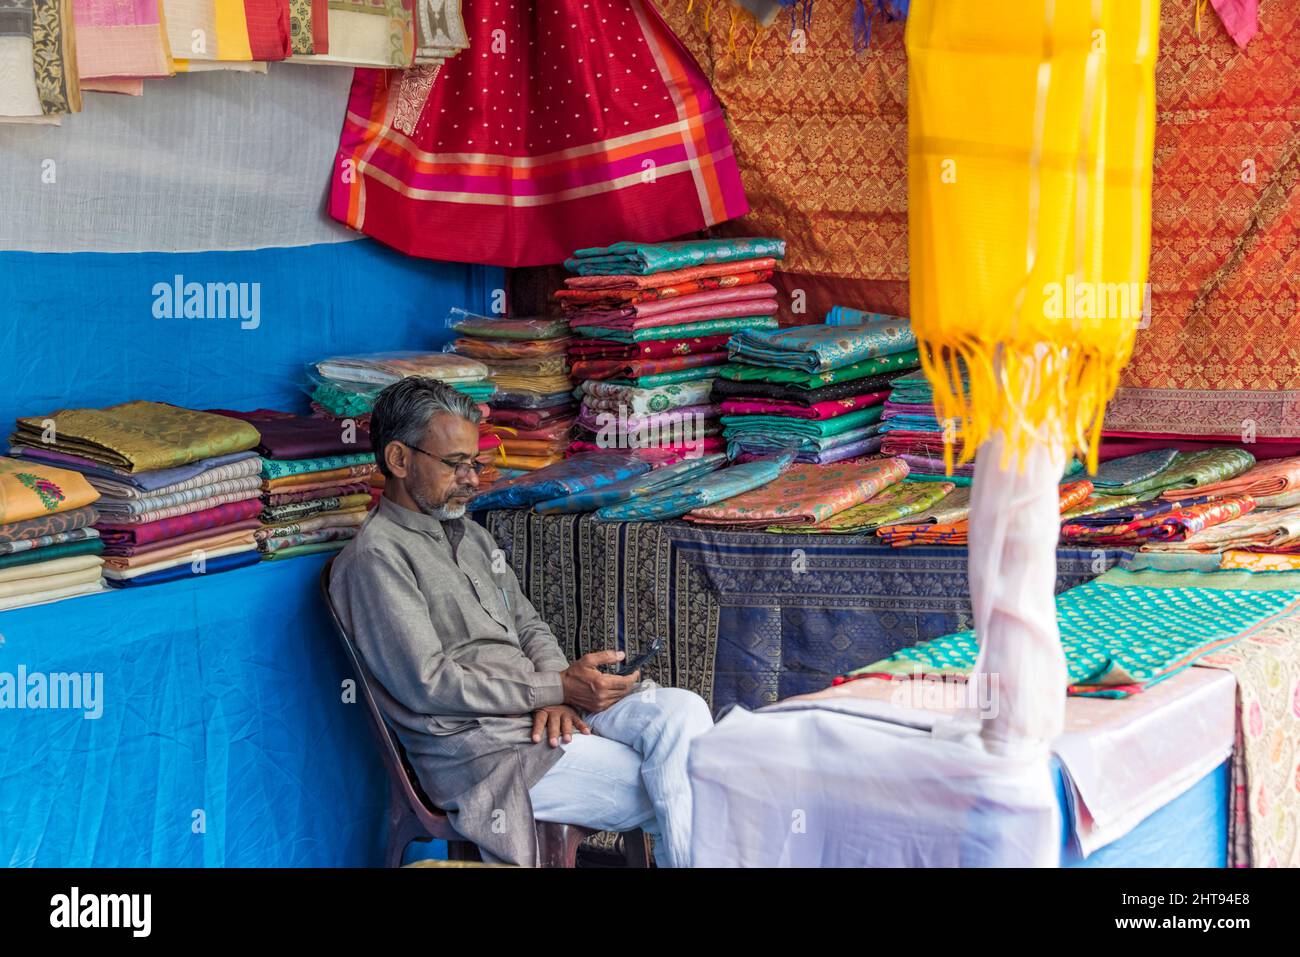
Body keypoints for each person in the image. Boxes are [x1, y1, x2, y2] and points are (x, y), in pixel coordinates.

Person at [328, 376, 714, 866]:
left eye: (476, 463)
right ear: (400, 460)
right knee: (683, 776)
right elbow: (430, 684)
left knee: (683, 712)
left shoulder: (470, 536)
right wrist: (552, 690)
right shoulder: (375, 559)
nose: (471, 479)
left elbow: (528, 625)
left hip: (539, 715)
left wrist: (560, 696)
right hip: (486, 752)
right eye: (455, 464)